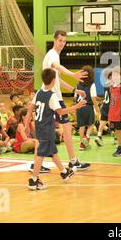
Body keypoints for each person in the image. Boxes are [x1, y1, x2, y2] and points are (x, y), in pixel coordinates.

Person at [26, 68, 87, 190]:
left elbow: (30, 109)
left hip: (39, 126)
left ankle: (64, 172)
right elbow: (60, 112)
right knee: (41, 154)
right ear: (54, 81)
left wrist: (27, 123)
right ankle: (33, 180)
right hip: (46, 128)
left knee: (52, 151)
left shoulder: (38, 93)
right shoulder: (51, 96)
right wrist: (76, 106)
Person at [43, 30, 90, 171]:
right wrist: (72, 74)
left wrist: (74, 90)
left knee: (50, 129)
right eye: (60, 41)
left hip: (52, 96)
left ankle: (71, 161)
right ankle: (72, 161)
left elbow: (58, 79)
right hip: (52, 97)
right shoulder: (52, 55)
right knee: (58, 129)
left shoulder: (54, 55)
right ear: (54, 40)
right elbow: (57, 68)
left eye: (64, 41)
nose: (62, 44)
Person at [75, 65, 98, 151]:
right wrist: (97, 108)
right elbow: (93, 97)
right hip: (88, 106)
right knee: (91, 124)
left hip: (79, 106)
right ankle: (87, 137)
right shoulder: (92, 84)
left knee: (81, 126)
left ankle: (82, 144)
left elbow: (75, 97)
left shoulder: (78, 84)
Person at [108, 67, 121, 157]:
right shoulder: (111, 87)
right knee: (115, 131)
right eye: (113, 75)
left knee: (119, 131)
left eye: (117, 74)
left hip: (119, 113)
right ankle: (120, 146)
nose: (115, 76)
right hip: (112, 113)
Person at [96, 69, 112, 146]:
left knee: (102, 121)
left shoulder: (105, 83)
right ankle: (115, 138)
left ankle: (99, 136)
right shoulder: (112, 84)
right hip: (111, 105)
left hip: (105, 105)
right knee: (113, 122)